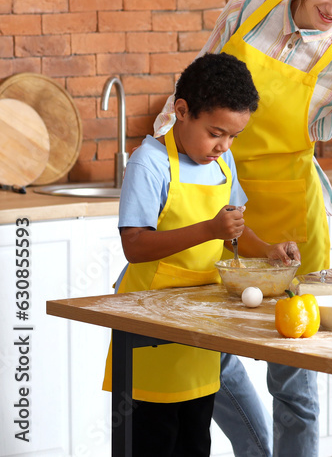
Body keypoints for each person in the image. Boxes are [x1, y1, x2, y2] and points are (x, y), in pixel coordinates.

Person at [153, 0, 332, 457]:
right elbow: (187, 91)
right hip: (215, 207)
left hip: (289, 224)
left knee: (293, 378)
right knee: (204, 346)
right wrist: (159, 159)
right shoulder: (247, 10)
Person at [102, 53, 298, 457]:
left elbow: (233, 232)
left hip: (200, 324)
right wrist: (209, 229)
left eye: (233, 137)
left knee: (195, 443)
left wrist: (269, 251)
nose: (224, 146)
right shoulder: (150, 162)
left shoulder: (222, 163)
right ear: (182, 111)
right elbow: (135, 245)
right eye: (216, 133)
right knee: (152, 441)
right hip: (149, 327)